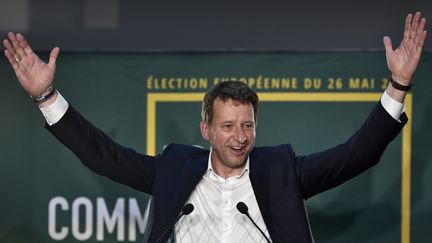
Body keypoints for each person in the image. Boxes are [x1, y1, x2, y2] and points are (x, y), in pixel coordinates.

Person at [3, 12, 427, 243]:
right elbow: (102, 154)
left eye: (247, 125)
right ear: (206, 129)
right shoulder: (174, 166)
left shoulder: (282, 170)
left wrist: (398, 84)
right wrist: (46, 96)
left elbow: (358, 155)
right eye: (228, 126)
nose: (240, 136)